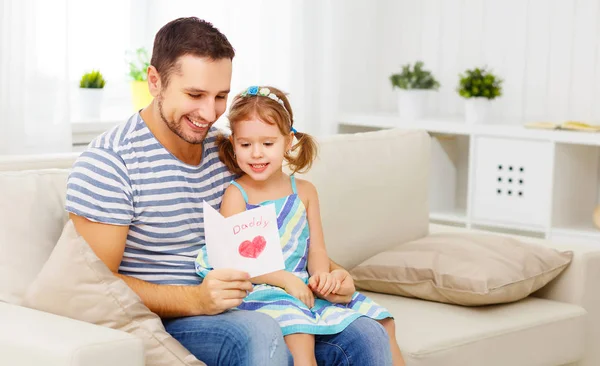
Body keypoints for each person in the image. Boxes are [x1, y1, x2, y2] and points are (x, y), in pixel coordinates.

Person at [66, 16, 394, 366]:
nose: (209, 113)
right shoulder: (111, 164)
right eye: (195, 94)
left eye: (220, 96)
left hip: (256, 296)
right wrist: (196, 300)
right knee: (258, 332)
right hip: (174, 317)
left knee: (365, 334)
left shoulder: (227, 152)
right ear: (154, 81)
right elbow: (95, 286)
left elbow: (283, 234)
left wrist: (333, 276)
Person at [196, 85, 405, 366]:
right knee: (299, 330)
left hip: (302, 284)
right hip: (262, 286)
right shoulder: (237, 194)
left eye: (268, 144)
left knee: (383, 321)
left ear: (289, 141)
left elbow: (316, 248)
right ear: (234, 143)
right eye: (246, 145)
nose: (256, 154)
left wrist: (322, 277)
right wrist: (285, 280)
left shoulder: (305, 191)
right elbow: (237, 260)